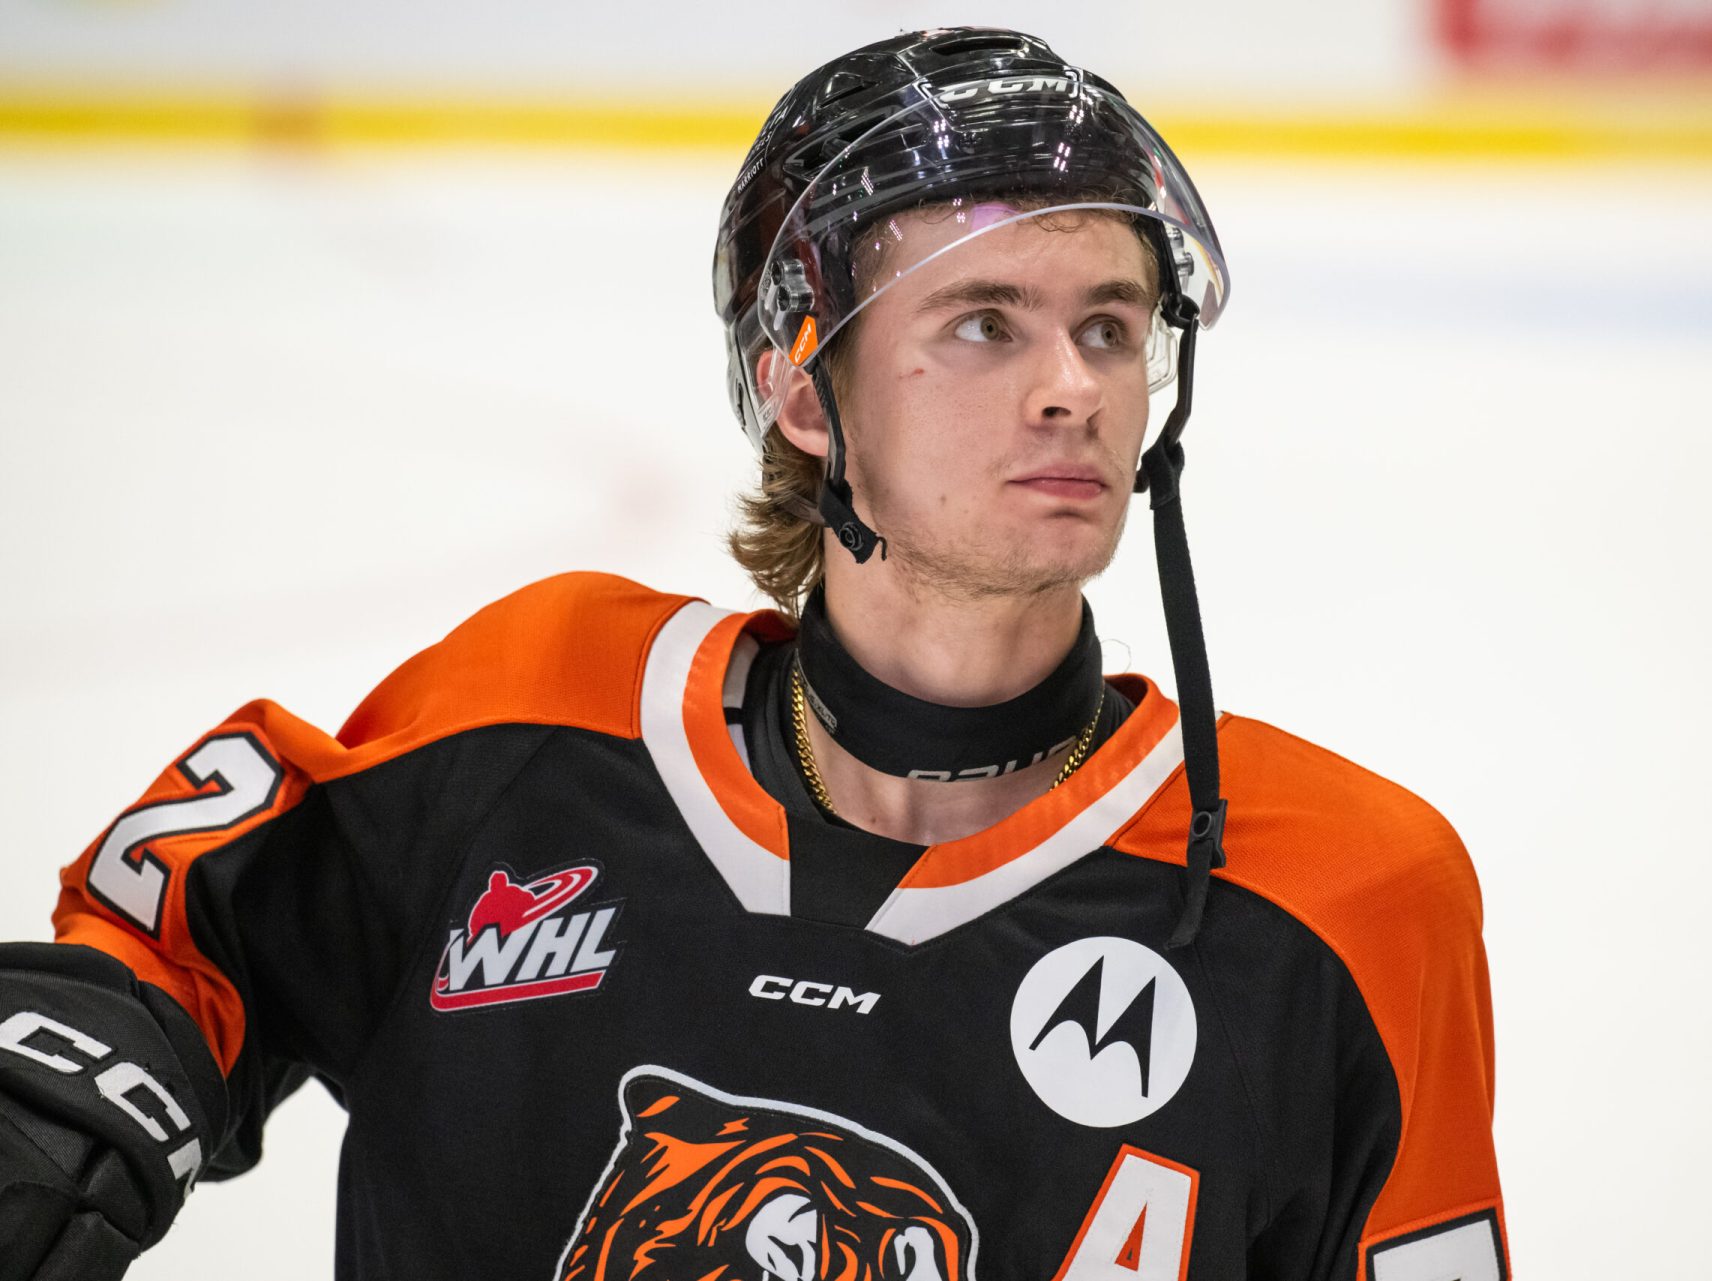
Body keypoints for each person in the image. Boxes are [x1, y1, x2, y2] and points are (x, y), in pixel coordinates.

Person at [0, 28, 1507, 1281]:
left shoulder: (1339, 899)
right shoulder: (532, 718)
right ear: (804, 390)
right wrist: (84, 1066)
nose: (1072, 389)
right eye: (987, 324)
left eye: (1110, 328)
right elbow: (181, 933)